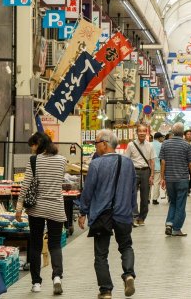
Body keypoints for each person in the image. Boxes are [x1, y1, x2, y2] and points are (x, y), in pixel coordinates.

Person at [78, 129, 136, 299]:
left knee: (101, 255)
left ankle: (106, 291)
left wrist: (83, 211)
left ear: (104, 144)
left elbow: (88, 191)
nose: (95, 146)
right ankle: (129, 274)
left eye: (96, 143)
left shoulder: (96, 164)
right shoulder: (128, 163)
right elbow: (133, 189)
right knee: (126, 246)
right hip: (124, 213)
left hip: (102, 215)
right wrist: (132, 210)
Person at [15, 132, 66, 294]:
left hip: (37, 208)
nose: (32, 149)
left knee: (36, 245)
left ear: (39, 144)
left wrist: (19, 206)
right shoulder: (62, 160)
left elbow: (26, 185)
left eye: (33, 146)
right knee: (55, 245)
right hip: (56, 207)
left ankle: (36, 283)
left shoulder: (34, 161)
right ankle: (57, 277)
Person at [160, 122, 191, 236]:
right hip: (182, 179)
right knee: (180, 204)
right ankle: (176, 229)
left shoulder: (165, 144)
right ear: (183, 133)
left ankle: (169, 223)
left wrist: (162, 178)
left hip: (170, 179)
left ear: (172, 131)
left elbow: (163, 162)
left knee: (173, 202)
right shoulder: (187, 145)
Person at [124, 124, 154, 227]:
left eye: (143, 131)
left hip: (146, 172)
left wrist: (152, 175)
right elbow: (126, 160)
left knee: (145, 197)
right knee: (132, 195)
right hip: (133, 171)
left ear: (146, 133)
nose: (141, 133)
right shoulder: (131, 145)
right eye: (139, 131)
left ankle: (142, 218)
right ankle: (134, 216)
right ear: (136, 133)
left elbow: (152, 161)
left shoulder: (150, 145)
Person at [151, 132, 165, 205]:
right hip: (158, 167)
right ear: (159, 138)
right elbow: (162, 158)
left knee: (148, 184)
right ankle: (155, 199)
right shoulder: (161, 145)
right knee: (156, 183)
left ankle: (147, 198)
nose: (162, 139)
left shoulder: (149, 144)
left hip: (149, 167)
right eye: (162, 137)